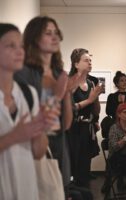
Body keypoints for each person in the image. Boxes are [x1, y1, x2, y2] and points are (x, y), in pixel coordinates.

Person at [13, 16, 77, 197]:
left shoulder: (59, 73)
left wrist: (66, 94)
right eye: (48, 33)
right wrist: (57, 95)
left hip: (58, 147)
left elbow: (65, 124)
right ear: (34, 37)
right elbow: (27, 118)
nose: (55, 37)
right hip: (32, 149)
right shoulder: (22, 73)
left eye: (56, 33)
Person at [0, 23, 49, 200]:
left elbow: (38, 152)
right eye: (10, 46)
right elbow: (19, 135)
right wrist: (15, 136)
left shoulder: (29, 94)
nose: (20, 51)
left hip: (26, 188)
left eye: (21, 46)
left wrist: (40, 129)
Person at [68, 48, 103, 187]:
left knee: (85, 167)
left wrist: (95, 100)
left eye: (90, 60)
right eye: (86, 60)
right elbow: (68, 109)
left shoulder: (91, 83)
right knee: (73, 167)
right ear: (76, 64)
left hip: (86, 129)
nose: (89, 63)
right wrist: (89, 100)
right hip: (72, 130)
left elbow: (95, 109)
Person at [106, 103, 126, 191]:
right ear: (119, 114)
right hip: (116, 159)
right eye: (125, 112)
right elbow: (114, 147)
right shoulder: (114, 128)